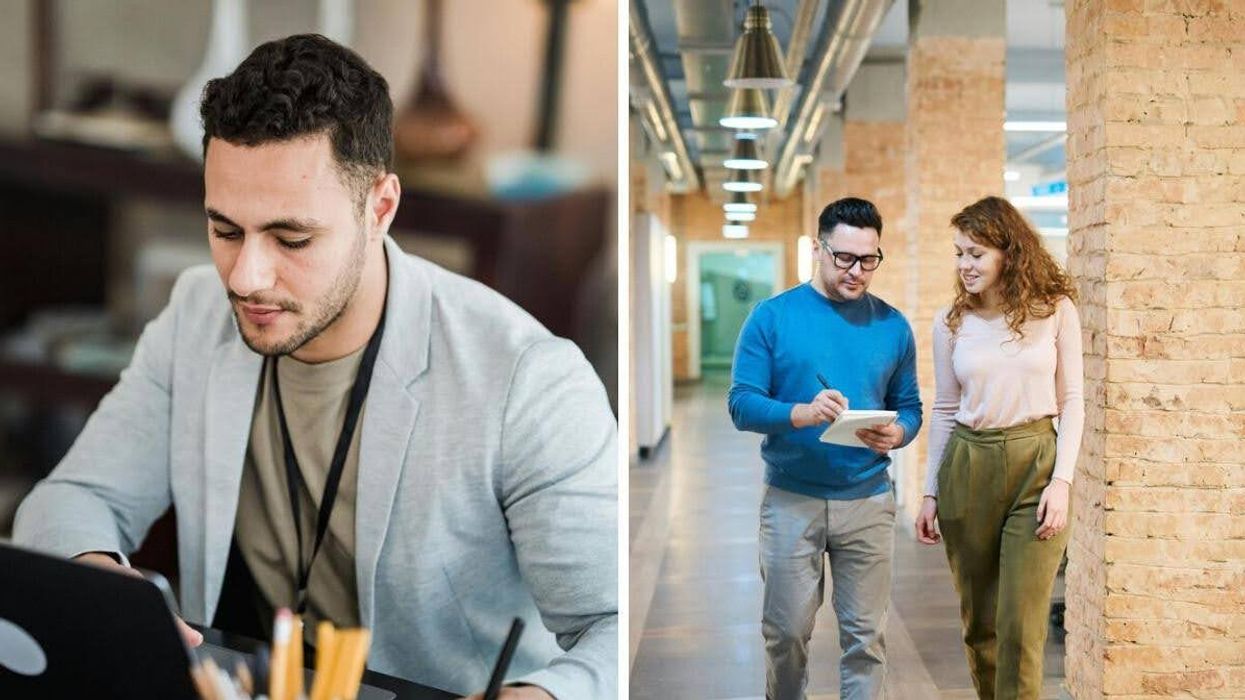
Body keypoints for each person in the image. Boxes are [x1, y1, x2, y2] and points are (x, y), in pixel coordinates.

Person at [13, 34, 616, 700]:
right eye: (225, 230)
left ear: (379, 209)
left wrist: (541, 697)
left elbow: (612, 626)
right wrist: (99, 577)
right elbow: (72, 498)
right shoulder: (195, 312)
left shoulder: (527, 379)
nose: (246, 277)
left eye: (290, 237)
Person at [728, 197, 923, 700]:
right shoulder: (771, 318)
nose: (857, 271)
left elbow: (911, 407)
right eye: (844, 258)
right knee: (786, 634)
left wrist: (898, 432)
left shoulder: (893, 326)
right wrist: (803, 412)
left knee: (865, 639)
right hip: (791, 501)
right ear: (818, 248)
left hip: (868, 499)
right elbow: (742, 404)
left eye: (869, 260)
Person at [914, 196, 1082, 699]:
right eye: (959, 253)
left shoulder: (1054, 310)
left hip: (1036, 463)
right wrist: (929, 492)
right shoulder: (950, 323)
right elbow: (945, 408)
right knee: (981, 624)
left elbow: (1072, 399)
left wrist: (1063, 481)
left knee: (1021, 627)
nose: (965, 265)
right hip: (968, 465)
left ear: (1009, 253)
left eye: (976, 254)